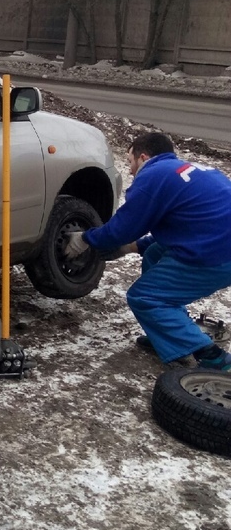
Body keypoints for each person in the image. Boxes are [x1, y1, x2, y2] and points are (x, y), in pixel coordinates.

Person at [64, 131, 231, 369]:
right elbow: (185, 226)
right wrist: (133, 248)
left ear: (143, 157)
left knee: (145, 297)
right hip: (218, 242)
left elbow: (121, 229)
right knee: (154, 254)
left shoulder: (153, 176)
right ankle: (169, 334)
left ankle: (212, 356)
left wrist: (86, 239)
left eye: (131, 162)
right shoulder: (190, 170)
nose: (131, 170)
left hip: (214, 254)